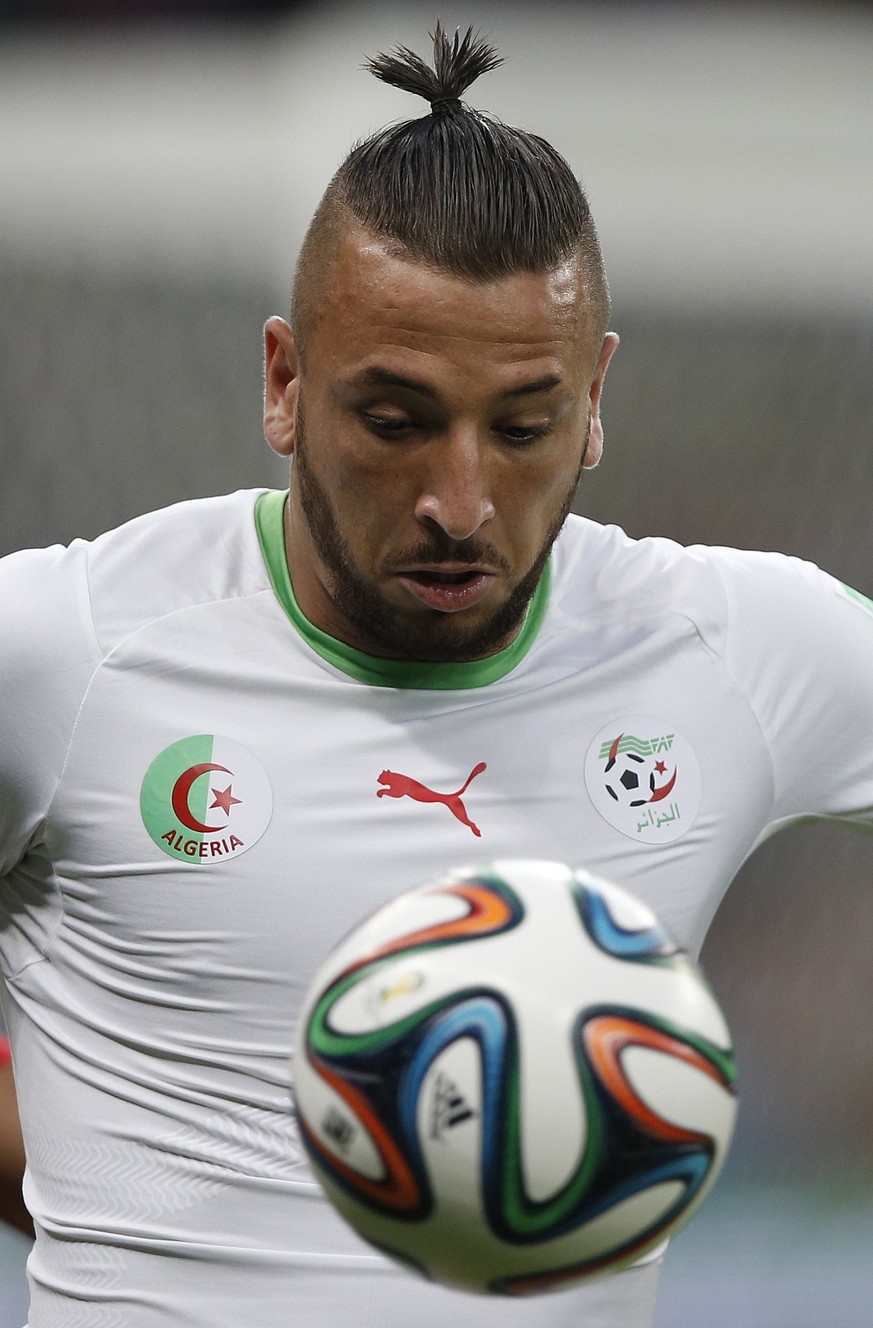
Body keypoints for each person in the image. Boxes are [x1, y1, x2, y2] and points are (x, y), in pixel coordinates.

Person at [1, 21, 872, 1328]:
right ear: (284, 383)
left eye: (522, 427)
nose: (459, 503)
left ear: (594, 400)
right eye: (395, 422)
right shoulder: (62, 650)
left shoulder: (737, 650)